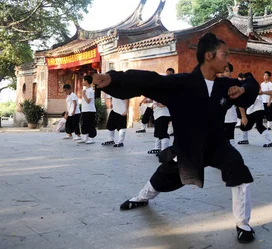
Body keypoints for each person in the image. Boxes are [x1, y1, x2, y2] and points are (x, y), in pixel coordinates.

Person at [91, 32, 259, 243]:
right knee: (164, 176)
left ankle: (243, 224)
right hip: (187, 147)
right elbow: (149, 81)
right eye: (224, 55)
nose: (228, 61)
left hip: (218, 145)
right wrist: (114, 79)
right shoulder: (181, 84)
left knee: (239, 169)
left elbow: (252, 83)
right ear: (209, 56)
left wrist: (242, 89)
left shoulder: (225, 86)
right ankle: (141, 198)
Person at [238, 73, 272, 147]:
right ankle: (245, 140)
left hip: (258, 109)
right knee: (244, 125)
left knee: (259, 126)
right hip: (252, 110)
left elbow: (250, 100)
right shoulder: (254, 84)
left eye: (244, 78)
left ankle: (269, 141)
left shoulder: (251, 86)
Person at [220, 63, 238, 145]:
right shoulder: (215, 83)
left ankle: (232, 157)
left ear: (231, 73)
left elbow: (239, 103)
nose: (223, 73)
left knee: (230, 138)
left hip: (230, 117)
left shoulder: (234, 85)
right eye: (222, 70)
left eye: (226, 71)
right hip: (217, 117)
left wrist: (244, 116)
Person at [79, 75, 97, 144]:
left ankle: (91, 138)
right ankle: (85, 137)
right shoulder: (85, 90)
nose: (83, 82)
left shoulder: (90, 90)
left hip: (90, 110)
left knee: (90, 124)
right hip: (85, 110)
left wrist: (83, 94)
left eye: (83, 80)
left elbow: (88, 101)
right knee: (84, 124)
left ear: (86, 81)